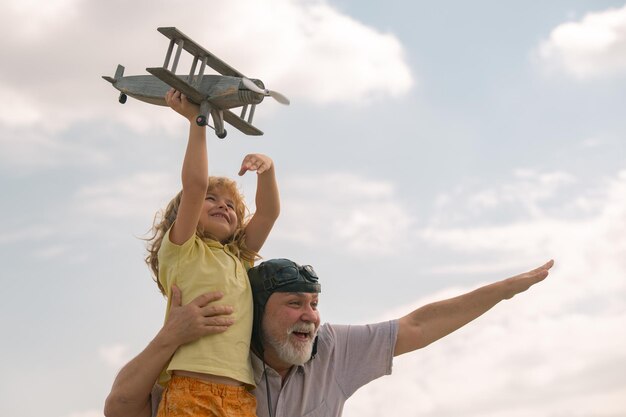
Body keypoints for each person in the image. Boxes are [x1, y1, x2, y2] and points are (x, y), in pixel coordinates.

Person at [104, 258, 554, 417]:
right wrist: (169, 337)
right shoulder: (214, 358)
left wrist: (502, 291)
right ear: (258, 312)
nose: (311, 316)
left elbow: (418, 326)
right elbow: (120, 409)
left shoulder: (334, 349)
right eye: (295, 304)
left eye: (314, 304)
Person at [144, 89, 280, 417]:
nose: (223, 205)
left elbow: (268, 214)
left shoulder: (239, 257)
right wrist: (197, 122)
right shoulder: (183, 249)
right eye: (212, 200)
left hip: (238, 395)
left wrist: (268, 169)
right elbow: (194, 186)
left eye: (231, 205)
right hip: (190, 388)